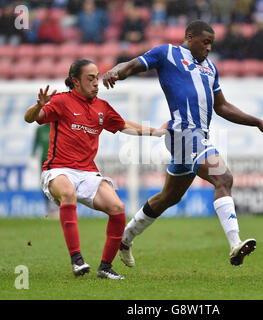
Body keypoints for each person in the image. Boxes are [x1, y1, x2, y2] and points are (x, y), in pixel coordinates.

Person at [102, 20, 263, 268]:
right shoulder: (167, 53)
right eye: (205, 42)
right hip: (182, 133)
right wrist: (115, 72)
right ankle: (235, 244)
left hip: (198, 136)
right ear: (189, 37)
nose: (208, 48)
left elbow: (222, 107)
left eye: (211, 44)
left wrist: (257, 122)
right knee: (223, 178)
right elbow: (132, 64)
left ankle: (125, 238)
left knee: (168, 197)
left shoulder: (210, 68)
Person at [24, 59, 167, 280]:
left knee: (118, 208)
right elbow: (31, 118)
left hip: (88, 173)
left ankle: (105, 267)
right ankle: (77, 260)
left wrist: (156, 132)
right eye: (90, 79)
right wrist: (38, 106)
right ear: (75, 81)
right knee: (68, 193)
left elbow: (125, 126)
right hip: (58, 169)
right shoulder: (61, 101)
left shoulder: (102, 107)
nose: (96, 83)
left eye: (97, 78)